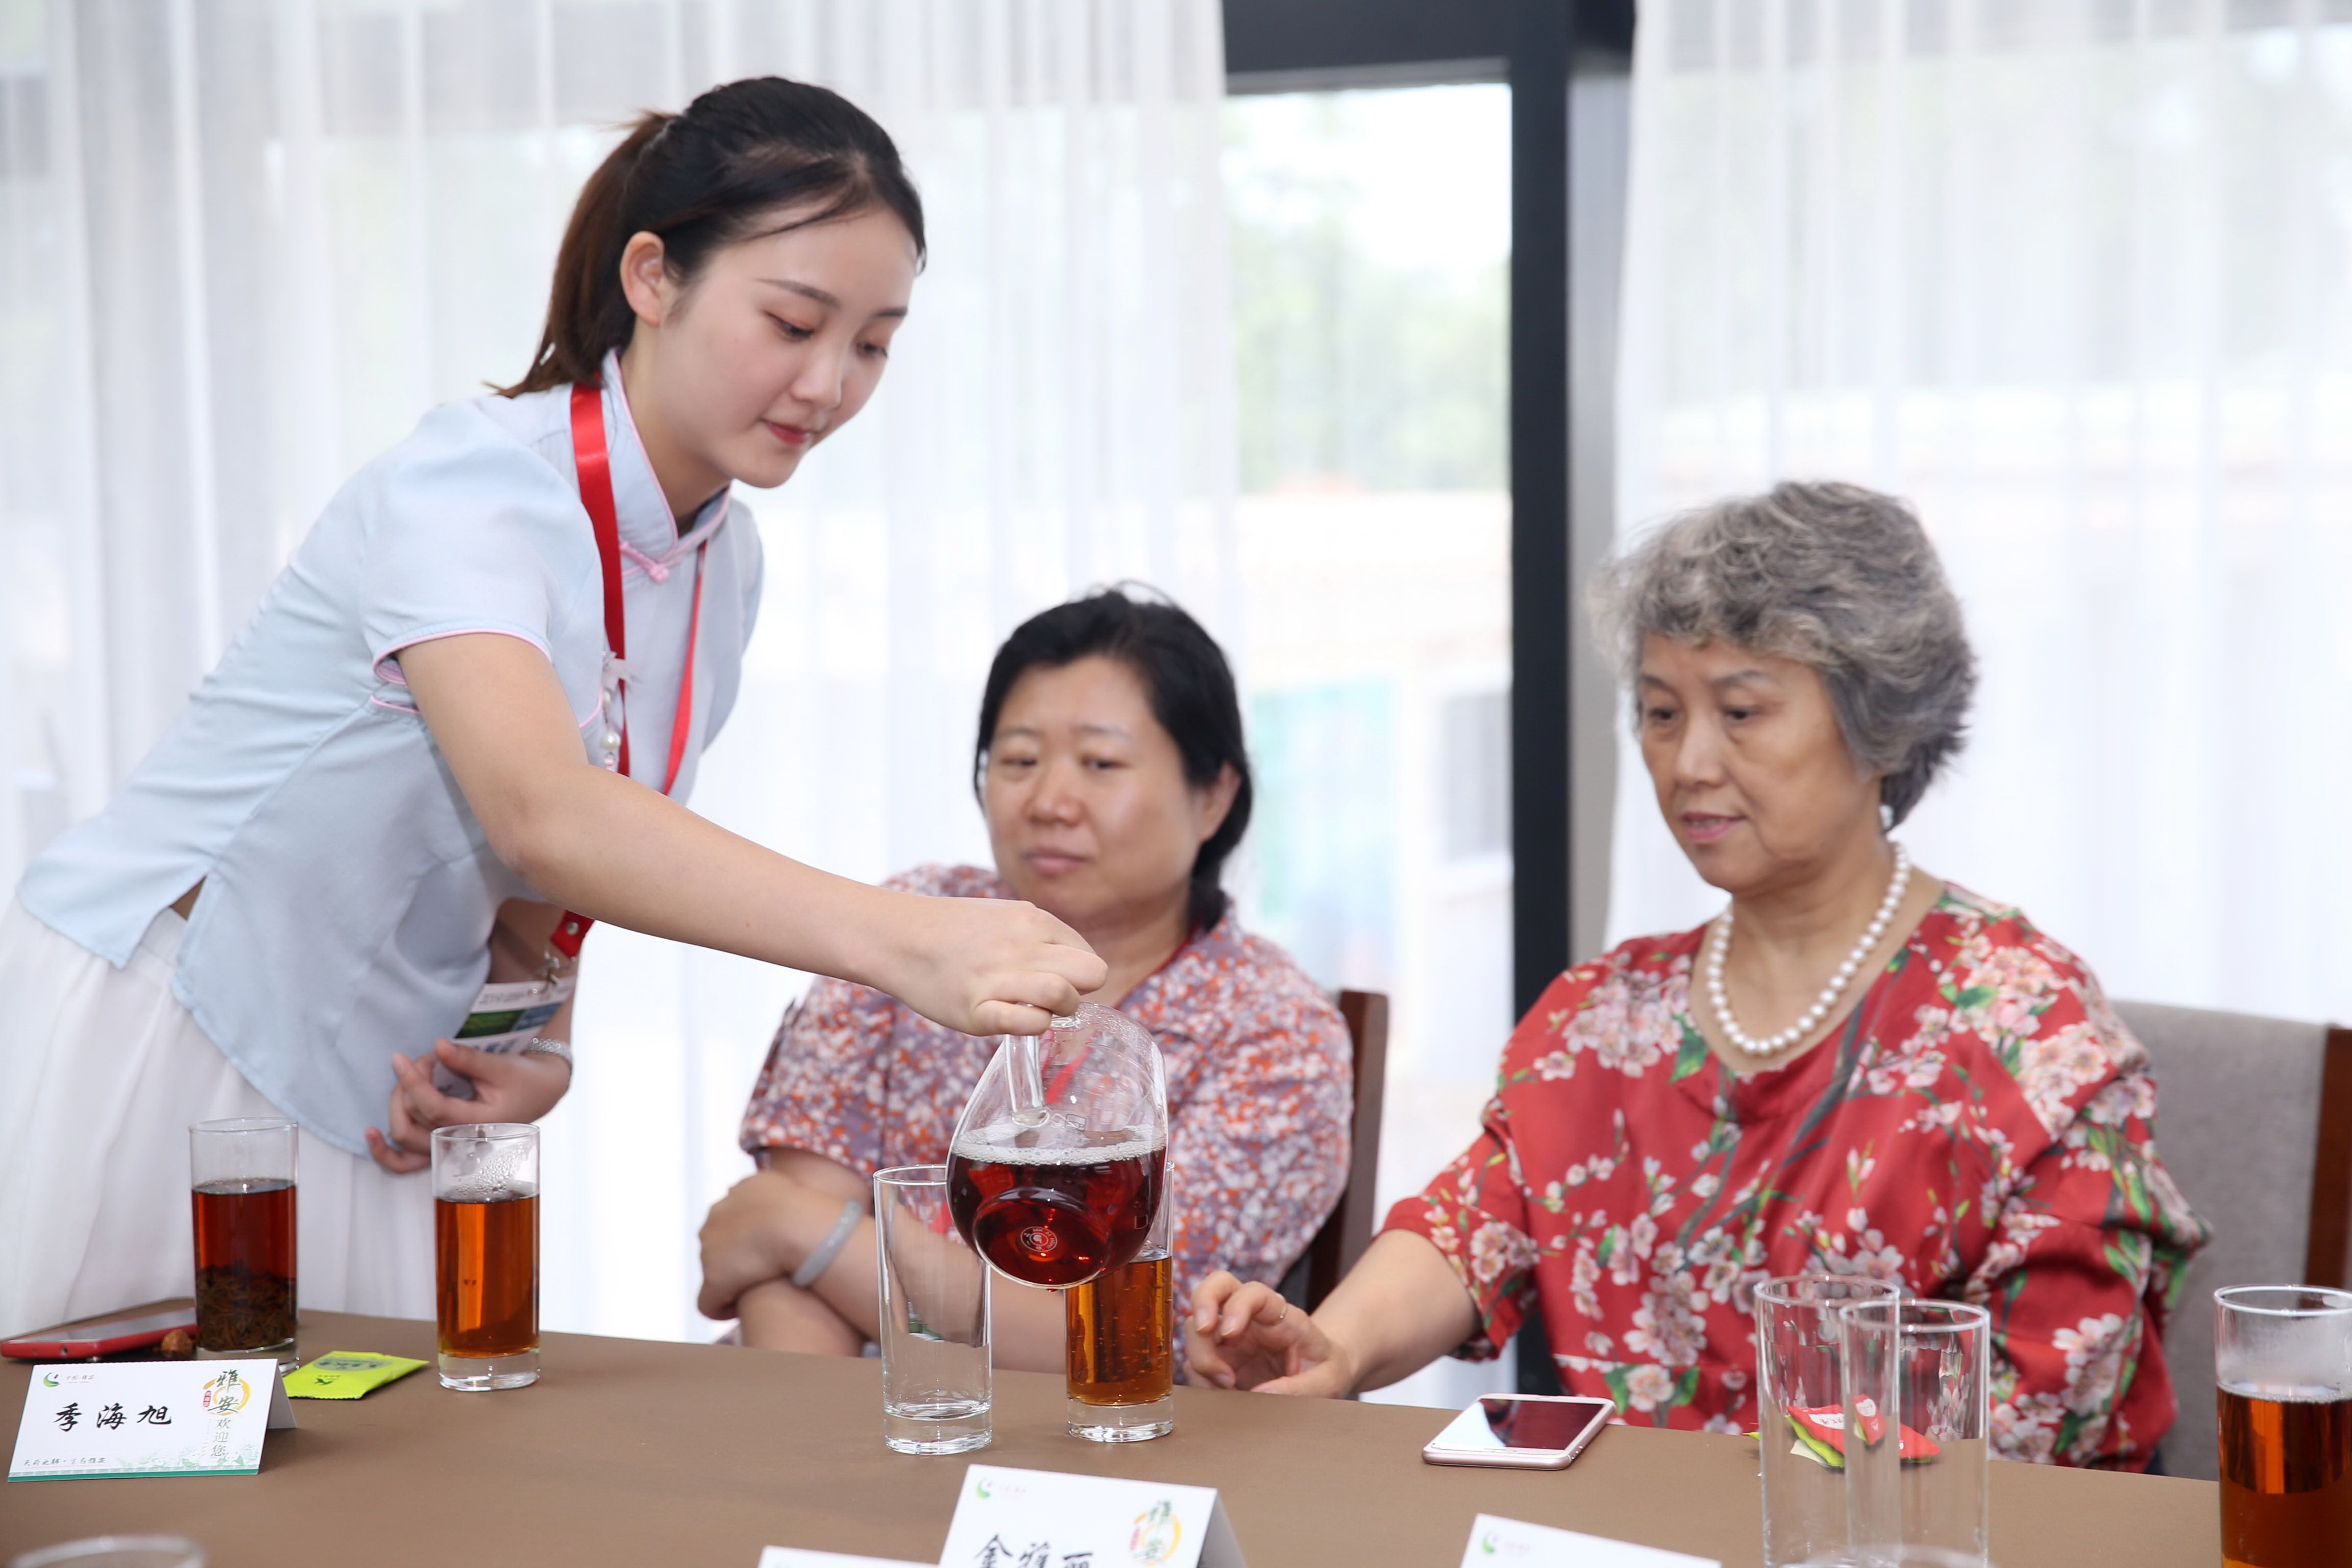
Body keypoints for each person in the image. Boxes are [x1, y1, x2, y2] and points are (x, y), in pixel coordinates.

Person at [0, 78, 1105, 1335]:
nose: (829, 383)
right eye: (794, 322)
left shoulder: (721, 561)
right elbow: (538, 808)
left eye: (873, 343)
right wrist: (909, 942)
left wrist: (541, 1050)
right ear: (652, 276)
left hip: (384, 1082)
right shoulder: (473, 487)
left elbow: (546, 891)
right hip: (175, 1021)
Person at [1187, 482, 2209, 1470]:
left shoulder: (2026, 1029)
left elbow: (2051, 1404)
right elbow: (1470, 1229)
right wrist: (1338, 1349)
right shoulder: (1600, 1021)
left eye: (1743, 712)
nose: (1688, 765)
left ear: (1878, 726)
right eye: (1662, 713)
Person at [697, 589, 1352, 1370]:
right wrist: (820, 1462)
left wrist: (816, 1235)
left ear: (1214, 796)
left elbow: (1123, 1330)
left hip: (1113, 1451)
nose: (1048, 802)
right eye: (1018, 761)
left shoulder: (1276, 1030)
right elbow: (786, 1290)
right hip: (849, 1431)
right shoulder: (909, 927)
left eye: (1101, 763)